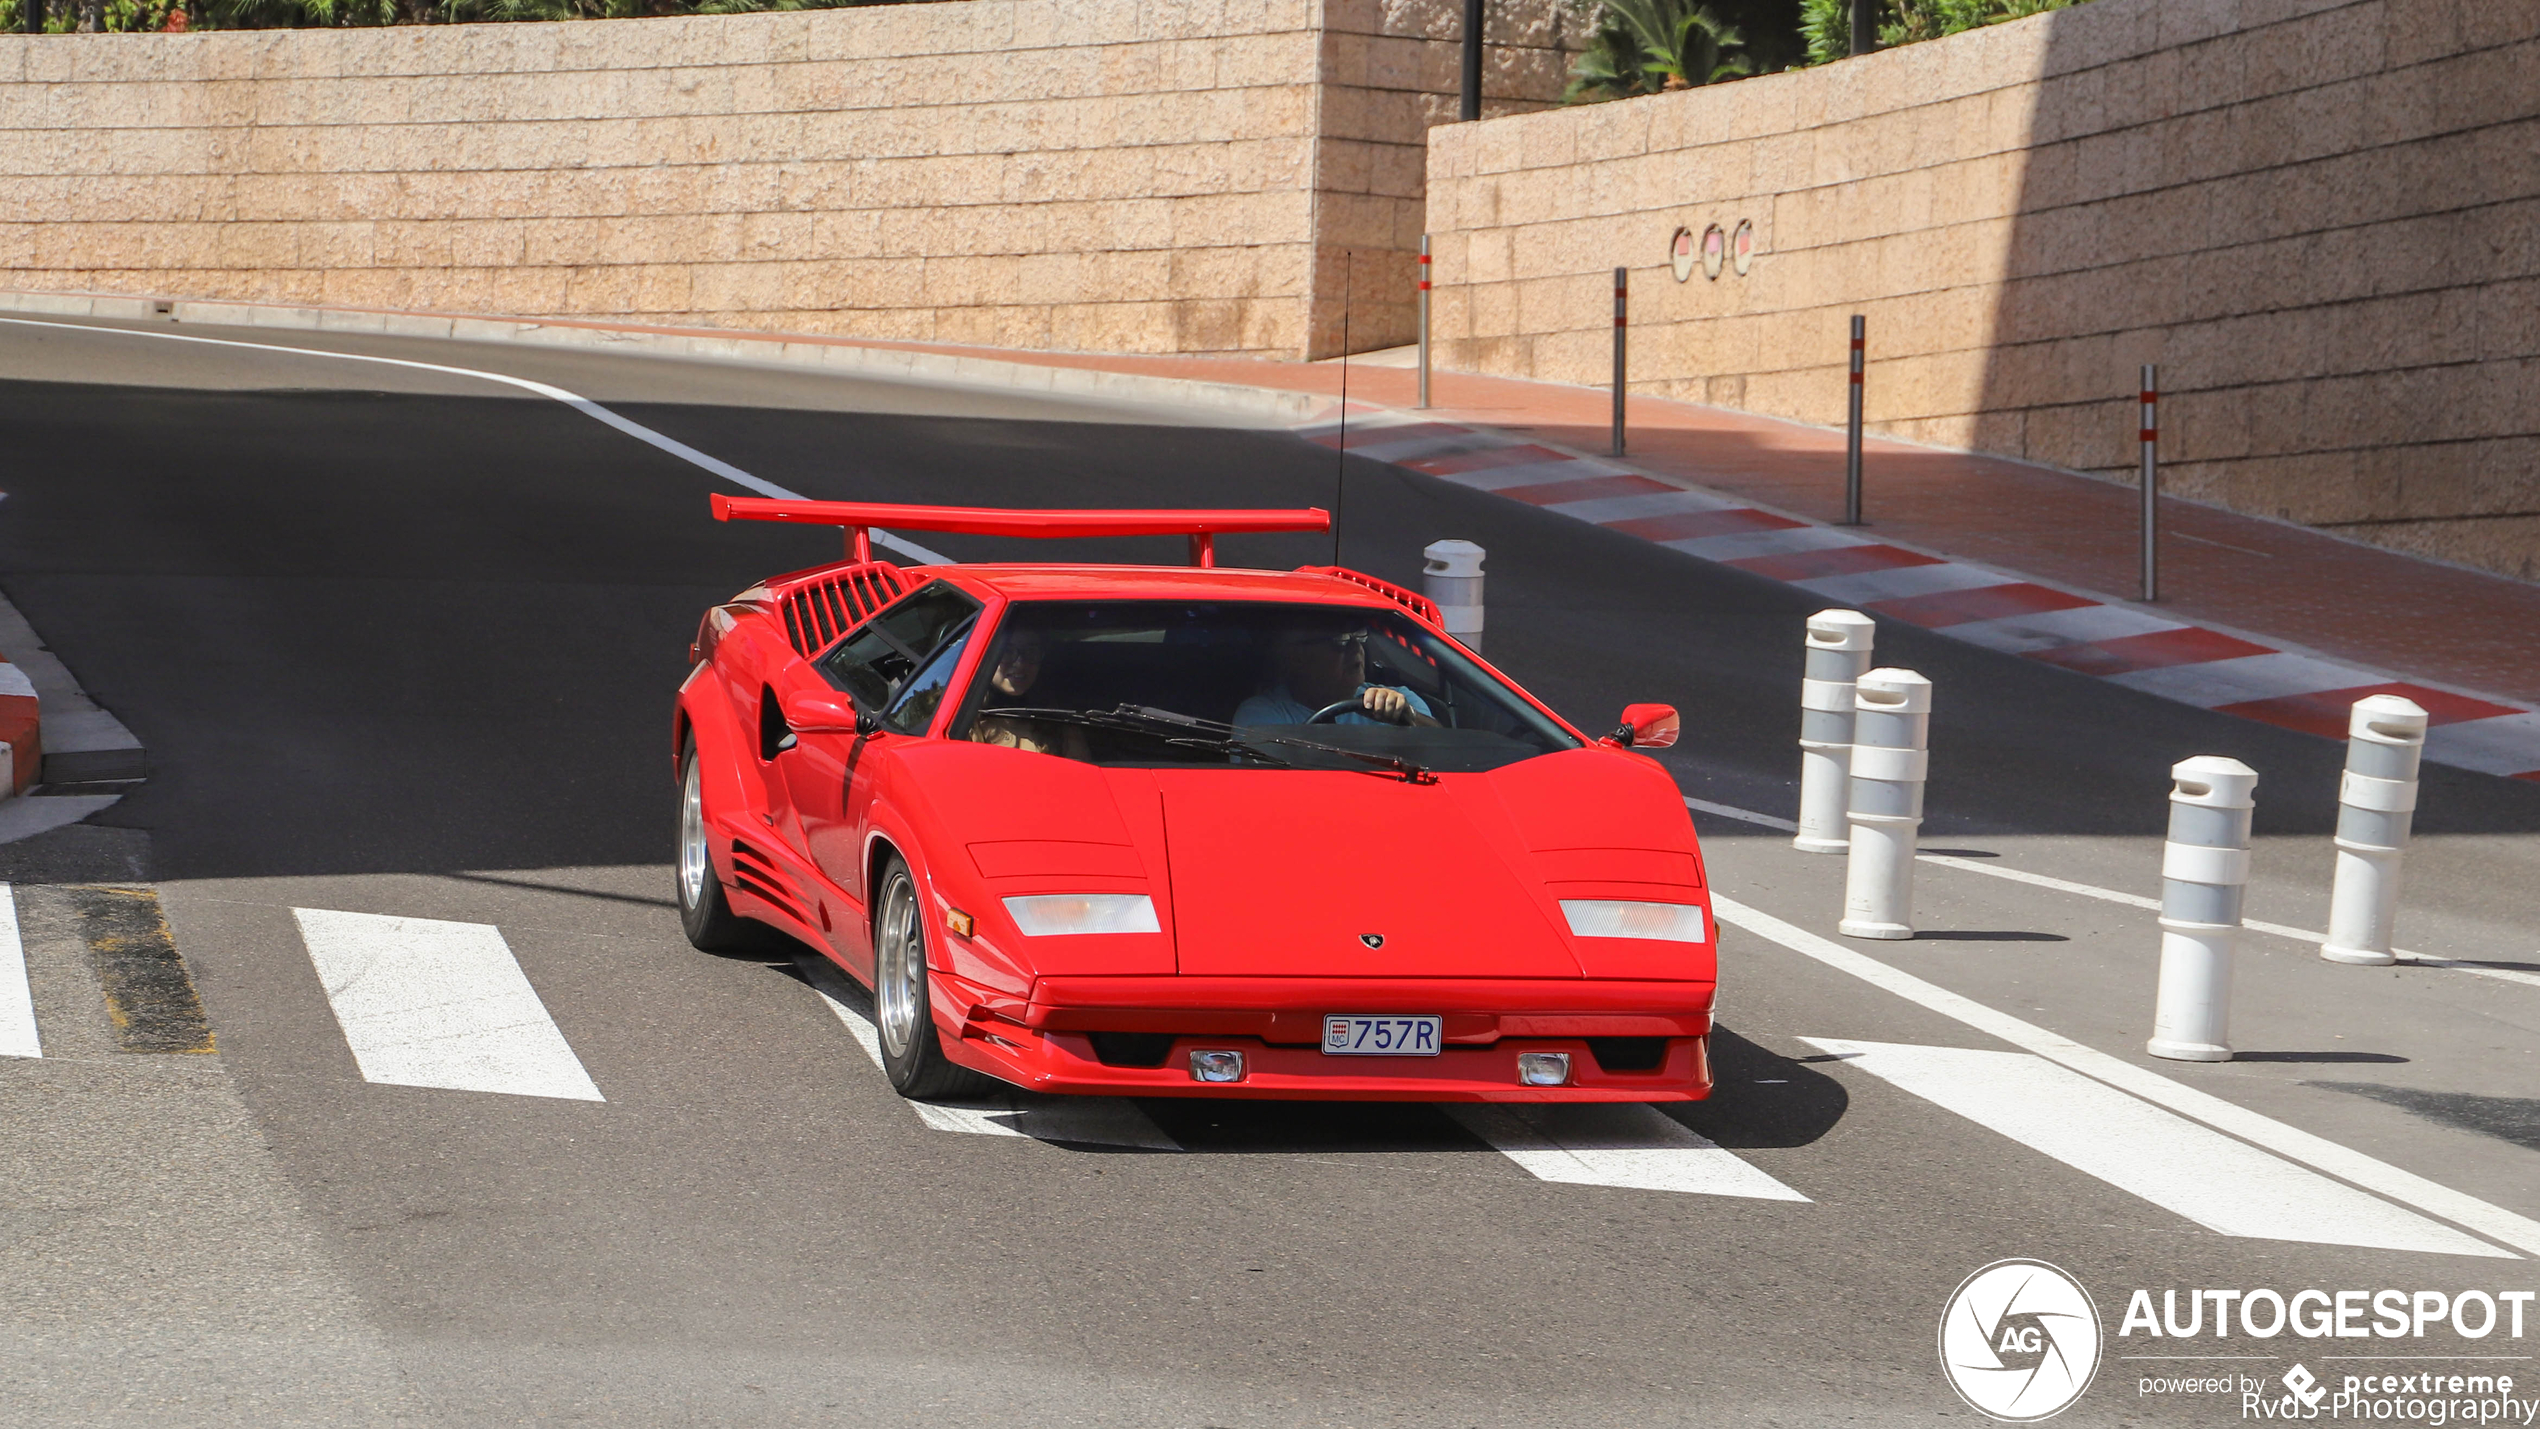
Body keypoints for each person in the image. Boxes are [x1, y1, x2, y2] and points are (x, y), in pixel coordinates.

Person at [1233, 622, 1438, 727]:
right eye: (1339, 640)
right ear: (1296, 658)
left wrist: (1406, 716)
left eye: (1358, 636)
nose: (1355, 647)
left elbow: (1442, 747)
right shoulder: (1263, 714)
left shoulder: (1398, 698)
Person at [970, 629, 1088, 758]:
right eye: (1007, 651)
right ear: (986, 655)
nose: (1020, 662)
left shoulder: (1060, 726)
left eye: (1031, 652)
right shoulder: (962, 723)